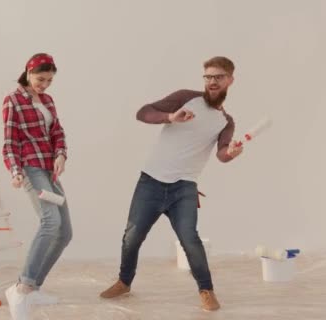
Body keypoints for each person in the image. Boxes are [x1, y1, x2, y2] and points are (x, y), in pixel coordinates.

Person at [99, 56, 243, 311]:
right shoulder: (186, 98)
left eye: (218, 77)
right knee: (132, 237)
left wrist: (231, 153)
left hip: (184, 188)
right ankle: (124, 282)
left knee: (190, 239)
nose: (212, 81)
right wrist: (170, 116)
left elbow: (222, 154)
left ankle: (206, 290)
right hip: (151, 181)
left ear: (230, 80)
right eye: (208, 76)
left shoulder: (226, 122)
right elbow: (142, 112)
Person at [2, 53, 72, 319]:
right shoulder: (13, 100)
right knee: (50, 222)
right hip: (31, 168)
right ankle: (21, 288)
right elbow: (10, 141)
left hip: (49, 169)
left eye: (49, 80)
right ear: (28, 72)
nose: (44, 85)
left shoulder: (48, 101)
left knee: (65, 232)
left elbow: (57, 132)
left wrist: (61, 154)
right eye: (41, 79)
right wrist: (16, 171)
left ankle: (34, 289)